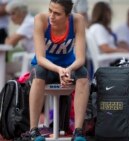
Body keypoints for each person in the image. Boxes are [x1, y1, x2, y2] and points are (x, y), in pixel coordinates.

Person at [29, 0, 89, 141]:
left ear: (68, 15)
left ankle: (78, 132)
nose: (51, 16)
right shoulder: (40, 20)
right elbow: (40, 58)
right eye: (50, 10)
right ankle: (33, 130)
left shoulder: (78, 20)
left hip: (68, 69)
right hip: (47, 69)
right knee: (39, 72)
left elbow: (80, 59)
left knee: (83, 73)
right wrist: (59, 70)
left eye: (57, 13)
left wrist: (67, 70)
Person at [4, 0, 34, 80]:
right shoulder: (27, 23)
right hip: (32, 59)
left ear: (21, 12)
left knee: (3, 68)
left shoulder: (28, 23)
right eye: (10, 14)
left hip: (34, 61)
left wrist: (9, 39)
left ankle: (10, 91)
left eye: (13, 13)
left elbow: (10, 43)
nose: (11, 18)